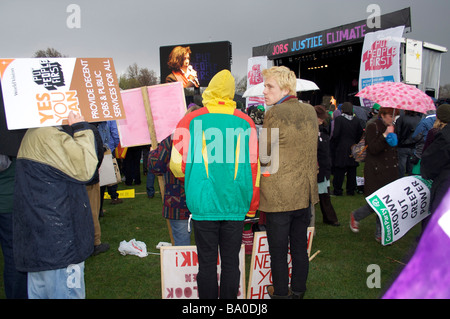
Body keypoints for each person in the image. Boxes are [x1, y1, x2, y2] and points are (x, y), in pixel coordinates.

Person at [169, 70, 260, 299]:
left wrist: (192, 180)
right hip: (235, 203)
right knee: (231, 263)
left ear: (209, 90)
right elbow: (256, 168)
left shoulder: (190, 118)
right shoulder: (246, 121)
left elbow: (176, 165)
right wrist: (252, 205)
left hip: (203, 203)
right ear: (231, 94)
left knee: (206, 264)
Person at [13, 111, 98, 299]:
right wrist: (82, 128)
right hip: (60, 244)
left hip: (40, 243)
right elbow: (86, 168)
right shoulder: (49, 136)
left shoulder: (34, 133)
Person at [259, 66, 318, 299]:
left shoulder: (274, 113)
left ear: (285, 88)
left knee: (278, 251)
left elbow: (266, 158)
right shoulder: (311, 111)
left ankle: (281, 293)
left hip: (280, 196)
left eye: (269, 86)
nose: (264, 91)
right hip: (304, 193)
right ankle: (299, 292)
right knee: (300, 249)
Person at [149, 105, 201, 246]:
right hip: (203, 200)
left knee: (182, 246)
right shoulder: (212, 140)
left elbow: (155, 166)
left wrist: (152, 153)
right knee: (207, 246)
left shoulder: (172, 139)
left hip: (178, 201)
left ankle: (188, 268)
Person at [350, 107, 400, 242]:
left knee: (386, 203)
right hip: (377, 170)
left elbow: (393, 150)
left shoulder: (393, 127)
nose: (392, 118)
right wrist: (385, 136)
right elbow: (372, 148)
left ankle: (380, 232)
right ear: (382, 115)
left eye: (393, 116)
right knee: (378, 203)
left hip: (390, 171)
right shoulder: (373, 126)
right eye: (390, 116)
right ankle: (357, 215)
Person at [420, 104, 450, 229]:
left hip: (444, 179)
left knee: (436, 212)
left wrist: (428, 174)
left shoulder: (444, 135)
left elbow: (433, 158)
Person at [85, 123, 110, 256]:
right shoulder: (91, 130)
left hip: (76, 178)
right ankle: (95, 242)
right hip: (89, 177)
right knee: (93, 211)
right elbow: (99, 154)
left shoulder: (68, 128)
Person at [330, 102, 363, 196]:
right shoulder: (356, 120)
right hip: (353, 146)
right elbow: (360, 133)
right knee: (352, 170)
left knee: (340, 170)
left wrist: (334, 144)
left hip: (341, 147)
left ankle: (337, 190)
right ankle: (350, 190)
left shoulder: (339, 119)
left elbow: (335, 134)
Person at [314, 105, 340, 226]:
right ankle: (328, 218)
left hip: (324, 168)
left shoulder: (324, 130)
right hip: (316, 168)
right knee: (315, 198)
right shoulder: (311, 131)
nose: (321, 120)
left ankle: (330, 218)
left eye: (322, 118)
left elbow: (326, 150)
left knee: (324, 195)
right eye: (319, 117)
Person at [395, 110, 421, 177]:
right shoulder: (419, 119)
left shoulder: (401, 119)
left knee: (401, 167)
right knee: (411, 167)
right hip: (413, 145)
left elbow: (397, 132)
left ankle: (400, 180)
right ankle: (410, 179)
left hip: (402, 146)